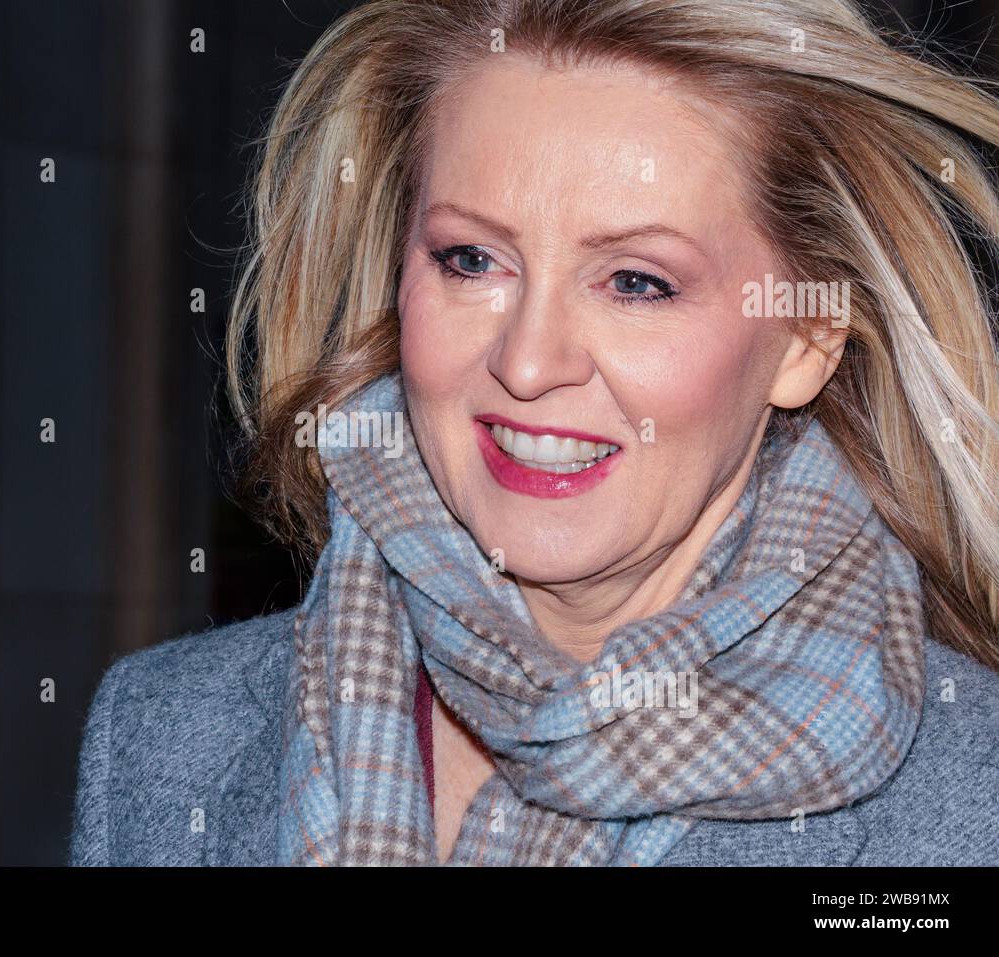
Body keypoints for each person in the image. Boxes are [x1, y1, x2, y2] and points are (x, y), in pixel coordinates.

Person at [71, 0, 999, 866]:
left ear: (806, 336)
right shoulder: (158, 737)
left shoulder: (969, 801)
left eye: (637, 281)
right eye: (470, 260)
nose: (527, 361)